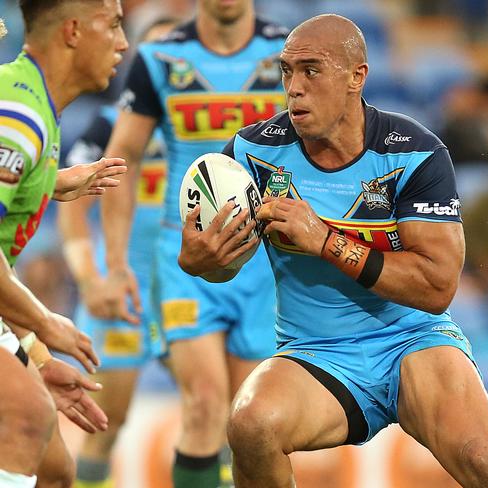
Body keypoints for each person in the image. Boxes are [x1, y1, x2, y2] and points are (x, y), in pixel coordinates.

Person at [178, 14, 488, 488]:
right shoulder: (251, 152)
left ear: (357, 76)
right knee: (251, 424)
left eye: (312, 70)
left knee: (482, 458)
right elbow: (221, 266)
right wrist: (201, 261)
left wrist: (325, 240)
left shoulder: (413, 152)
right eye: (287, 71)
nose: (294, 88)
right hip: (316, 355)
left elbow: (436, 289)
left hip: (414, 341)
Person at [100, 1, 286, 486]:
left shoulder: (287, 51)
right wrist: (116, 263)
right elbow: (122, 160)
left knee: (251, 420)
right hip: (184, 260)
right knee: (203, 401)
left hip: (265, 264)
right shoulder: (159, 58)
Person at [0, 0, 129, 486]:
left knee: (55, 470)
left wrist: (33, 354)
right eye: (113, 25)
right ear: (74, 31)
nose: (123, 42)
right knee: (27, 415)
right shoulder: (19, 115)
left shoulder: (32, 104)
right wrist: (43, 325)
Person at [58, 17, 177, 488]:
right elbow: (71, 211)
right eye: (157, 51)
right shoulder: (108, 126)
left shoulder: (200, 131)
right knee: (108, 422)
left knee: (218, 404)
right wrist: (90, 281)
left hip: (182, 283)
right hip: (120, 291)